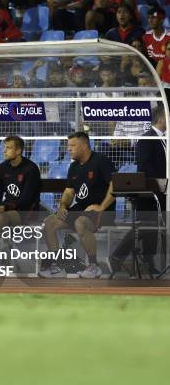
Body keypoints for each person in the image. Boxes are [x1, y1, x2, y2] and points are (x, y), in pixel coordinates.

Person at [40, 132, 116, 278]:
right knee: (49, 222)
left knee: (80, 222)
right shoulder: (74, 166)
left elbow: (114, 185)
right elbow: (69, 192)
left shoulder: (101, 161)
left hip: (103, 211)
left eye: (73, 145)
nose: (69, 149)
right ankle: (57, 265)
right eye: (68, 146)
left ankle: (94, 265)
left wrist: (102, 206)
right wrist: (63, 206)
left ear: (85, 146)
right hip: (81, 209)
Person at [111, 107, 166, 274]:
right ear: (161, 118)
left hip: (160, 193)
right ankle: (118, 255)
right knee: (144, 227)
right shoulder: (146, 138)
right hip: (149, 193)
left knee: (152, 230)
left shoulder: (162, 138)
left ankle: (148, 264)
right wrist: (159, 183)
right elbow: (144, 166)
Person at [0, 136, 41, 264]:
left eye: (9, 148)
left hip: (26, 211)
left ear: (18, 151)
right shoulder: (1, 168)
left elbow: (26, 200)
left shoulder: (31, 169)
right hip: (7, 209)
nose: (4, 151)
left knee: (3, 216)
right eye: (4, 147)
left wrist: (3, 208)